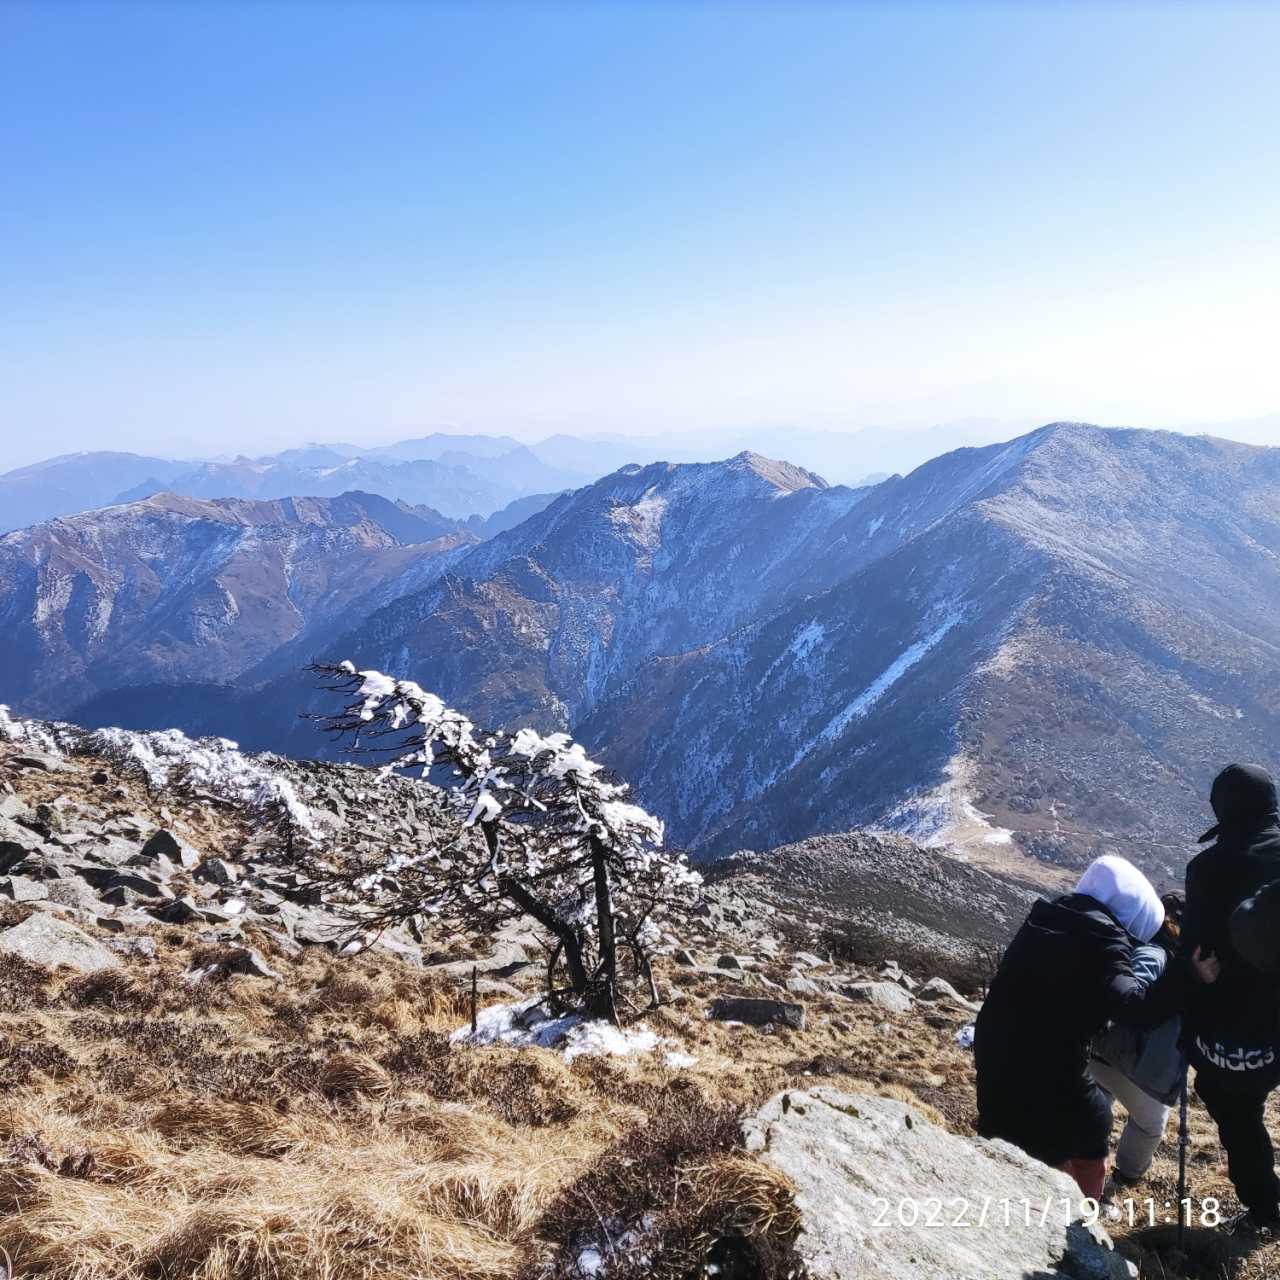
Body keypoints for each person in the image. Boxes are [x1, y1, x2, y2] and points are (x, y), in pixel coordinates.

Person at [975, 855, 1184, 1200]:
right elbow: (1132, 1007)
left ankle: (996, 1195)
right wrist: (1185, 979)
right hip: (1048, 1058)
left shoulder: (1050, 915)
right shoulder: (1104, 936)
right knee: (1092, 1124)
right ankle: (1082, 1216)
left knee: (1002, 1127)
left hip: (994, 1043)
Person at [1183, 763, 1280, 1237]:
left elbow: (1196, 955)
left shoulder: (1204, 870)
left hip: (1236, 1030)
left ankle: (1265, 1207)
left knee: (1233, 1106)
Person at [1088, 893, 1186, 1191]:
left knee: (1099, 1101)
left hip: (1103, 1051)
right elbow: (1132, 996)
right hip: (1131, 1061)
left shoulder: (1137, 940)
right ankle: (1122, 1180)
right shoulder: (1158, 952)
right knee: (1150, 1125)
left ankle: (1083, 1158)